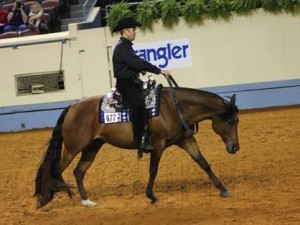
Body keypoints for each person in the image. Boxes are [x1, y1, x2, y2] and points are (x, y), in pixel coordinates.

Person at [112, 17, 170, 159]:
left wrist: (139, 71)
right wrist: (158, 70)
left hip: (132, 82)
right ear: (126, 32)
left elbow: (133, 65)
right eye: (133, 30)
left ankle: (148, 133)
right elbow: (137, 63)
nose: (135, 32)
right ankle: (140, 141)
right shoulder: (122, 47)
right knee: (138, 106)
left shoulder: (125, 47)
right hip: (126, 84)